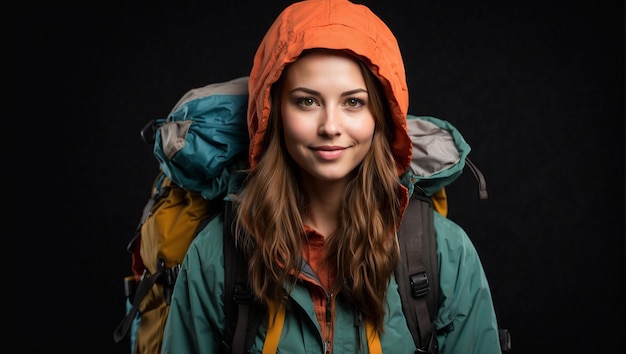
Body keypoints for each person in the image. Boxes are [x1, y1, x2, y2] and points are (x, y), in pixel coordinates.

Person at [161, 0, 502, 353]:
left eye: (353, 102)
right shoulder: (217, 253)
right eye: (307, 102)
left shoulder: (444, 253)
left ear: (381, 115)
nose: (330, 127)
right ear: (273, 112)